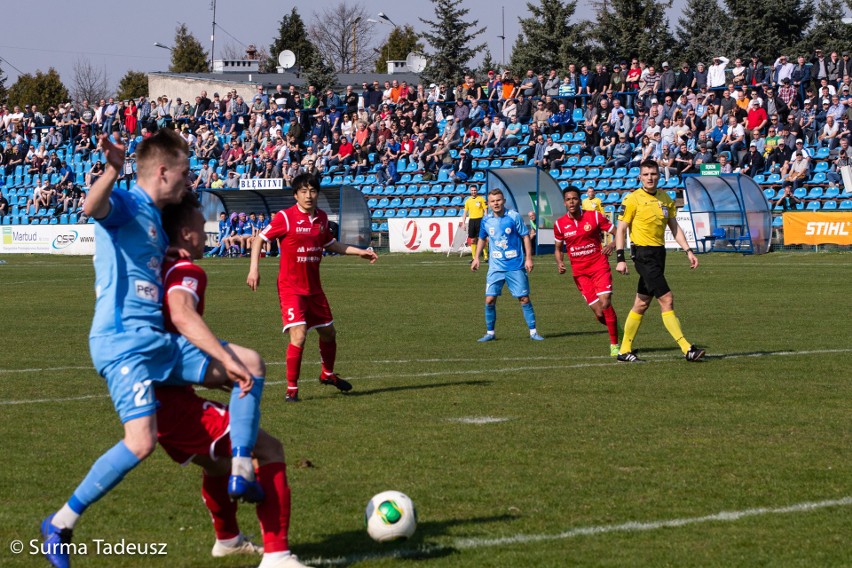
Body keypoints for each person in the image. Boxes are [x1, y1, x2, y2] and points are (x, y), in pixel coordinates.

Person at [40, 130, 266, 568]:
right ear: (163, 171)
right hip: (123, 344)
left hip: (160, 344)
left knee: (250, 365)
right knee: (140, 442)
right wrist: (112, 169)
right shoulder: (127, 204)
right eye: (184, 171)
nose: (189, 179)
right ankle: (61, 523)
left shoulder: (159, 224)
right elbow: (91, 207)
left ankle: (240, 469)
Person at [158, 193, 310, 568]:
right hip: (172, 407)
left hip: (151, 397)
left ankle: (227, 540)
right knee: (270, 449)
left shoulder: (154, 267)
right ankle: (277, 555)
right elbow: (181, 315)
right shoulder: (186, 271)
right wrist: (222, 360)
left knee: (215, 465)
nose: (207, 232)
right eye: (200, 225)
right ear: (185, 233)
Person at [246, 173, 377, 402]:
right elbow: (259, 239)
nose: (309, 195)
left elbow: (331, 244)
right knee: (299, 335)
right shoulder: (285, 217)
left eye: (313, 191)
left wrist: (360, 252)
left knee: (328, 332)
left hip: (314, 289)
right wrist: (254, 269)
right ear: (296, 194)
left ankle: (327, 374)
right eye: (304, 191)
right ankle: (292, 390)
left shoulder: (322, 218)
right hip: (291, 288)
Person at [614, 159, 705, 363]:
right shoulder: (632, 199)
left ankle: (624, 350)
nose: (650, 178)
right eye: (646, 174)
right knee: (666, 298)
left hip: (658, 254)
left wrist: (688, 251)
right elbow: (620, 229)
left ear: (658, 175)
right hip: (643, 255)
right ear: (640, 177)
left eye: (653, 174)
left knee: (642, 303)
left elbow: (674, 227)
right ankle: (687, 348)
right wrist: (620, 258)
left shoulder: (665, 198)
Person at [554, 186, 620, 356]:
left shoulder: (594, 216)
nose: (572, 202)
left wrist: (612, 244)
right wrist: (560, 261)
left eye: (574, 199)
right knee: (599, 313)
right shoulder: (560, 224)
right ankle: (616, 327)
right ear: (564, 202)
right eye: (568, 199)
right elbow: (558, 247)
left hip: (599, 266)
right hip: (580, 273)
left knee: (605, 302)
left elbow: (618, 232)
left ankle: (615, 345)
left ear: (580, 200)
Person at [471, 188, 543, 342]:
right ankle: (490, 333)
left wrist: (529, 258)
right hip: (495, 267)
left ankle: (533, 332)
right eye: (492, 201)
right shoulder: (486, 220)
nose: (496, 203)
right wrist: (476, 257)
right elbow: (482, 238)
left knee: (523, 298)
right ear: (488, 203)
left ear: (503, 200)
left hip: (515, 265)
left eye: (498, 200)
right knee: (489, 300)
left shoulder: (514, 216)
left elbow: (525, 237)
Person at [461, 184, 488, 260]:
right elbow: (465, 212)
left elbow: (485, 210)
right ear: (470, 191)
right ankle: (474, 257)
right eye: (472, 190)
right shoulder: (468, 201)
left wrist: (486, 220)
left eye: (475, 190)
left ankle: (486, 256)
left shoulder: (481, 199)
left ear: (477, 191)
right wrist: (463, 223)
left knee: (482, 238)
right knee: (473, 240)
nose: (473, 192)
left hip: (480, 220)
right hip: (472, 221)